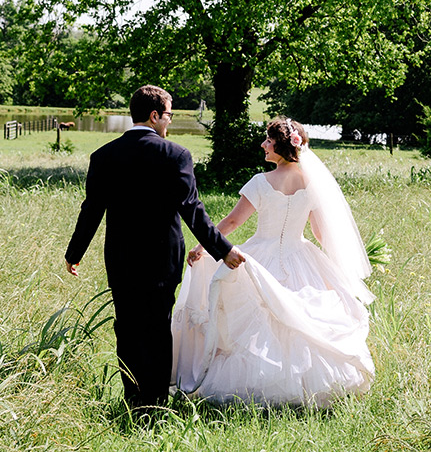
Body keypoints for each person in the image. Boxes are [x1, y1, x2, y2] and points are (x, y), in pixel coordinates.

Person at [171, 116, 374, 407]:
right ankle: (309, 385)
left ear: (282, 145)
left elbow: (232, 221)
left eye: (268, 140)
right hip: (301, 255)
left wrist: (204, 246)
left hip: (260, 254)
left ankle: (258, 385)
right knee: (299, 320)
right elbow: (318, 232)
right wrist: (333, 263)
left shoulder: (261, 182)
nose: (263, 144)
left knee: (256, 320)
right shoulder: (312, 182)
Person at [64, 84, 244, 409]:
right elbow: (193, 210)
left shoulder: (104, 156)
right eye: (168, 115)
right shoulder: (175, 155)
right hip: (163, 261)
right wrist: (224, 249)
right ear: (154, 115)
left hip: (121, 261)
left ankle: (134, 402)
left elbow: (91, 211)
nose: (169, 122)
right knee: (158, 330)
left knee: (128, 330)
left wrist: (73, 254)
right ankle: (157, 404)